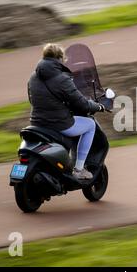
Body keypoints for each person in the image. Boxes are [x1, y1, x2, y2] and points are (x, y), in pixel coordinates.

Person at [28, 43, 105, 180]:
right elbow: (82, 103)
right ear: (60, 58)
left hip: (37, 122)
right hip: (58, 123)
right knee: (90, 125)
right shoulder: (62, 79)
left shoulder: (33, 76)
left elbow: (32, 98)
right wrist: (98, 106)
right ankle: (79, 169)